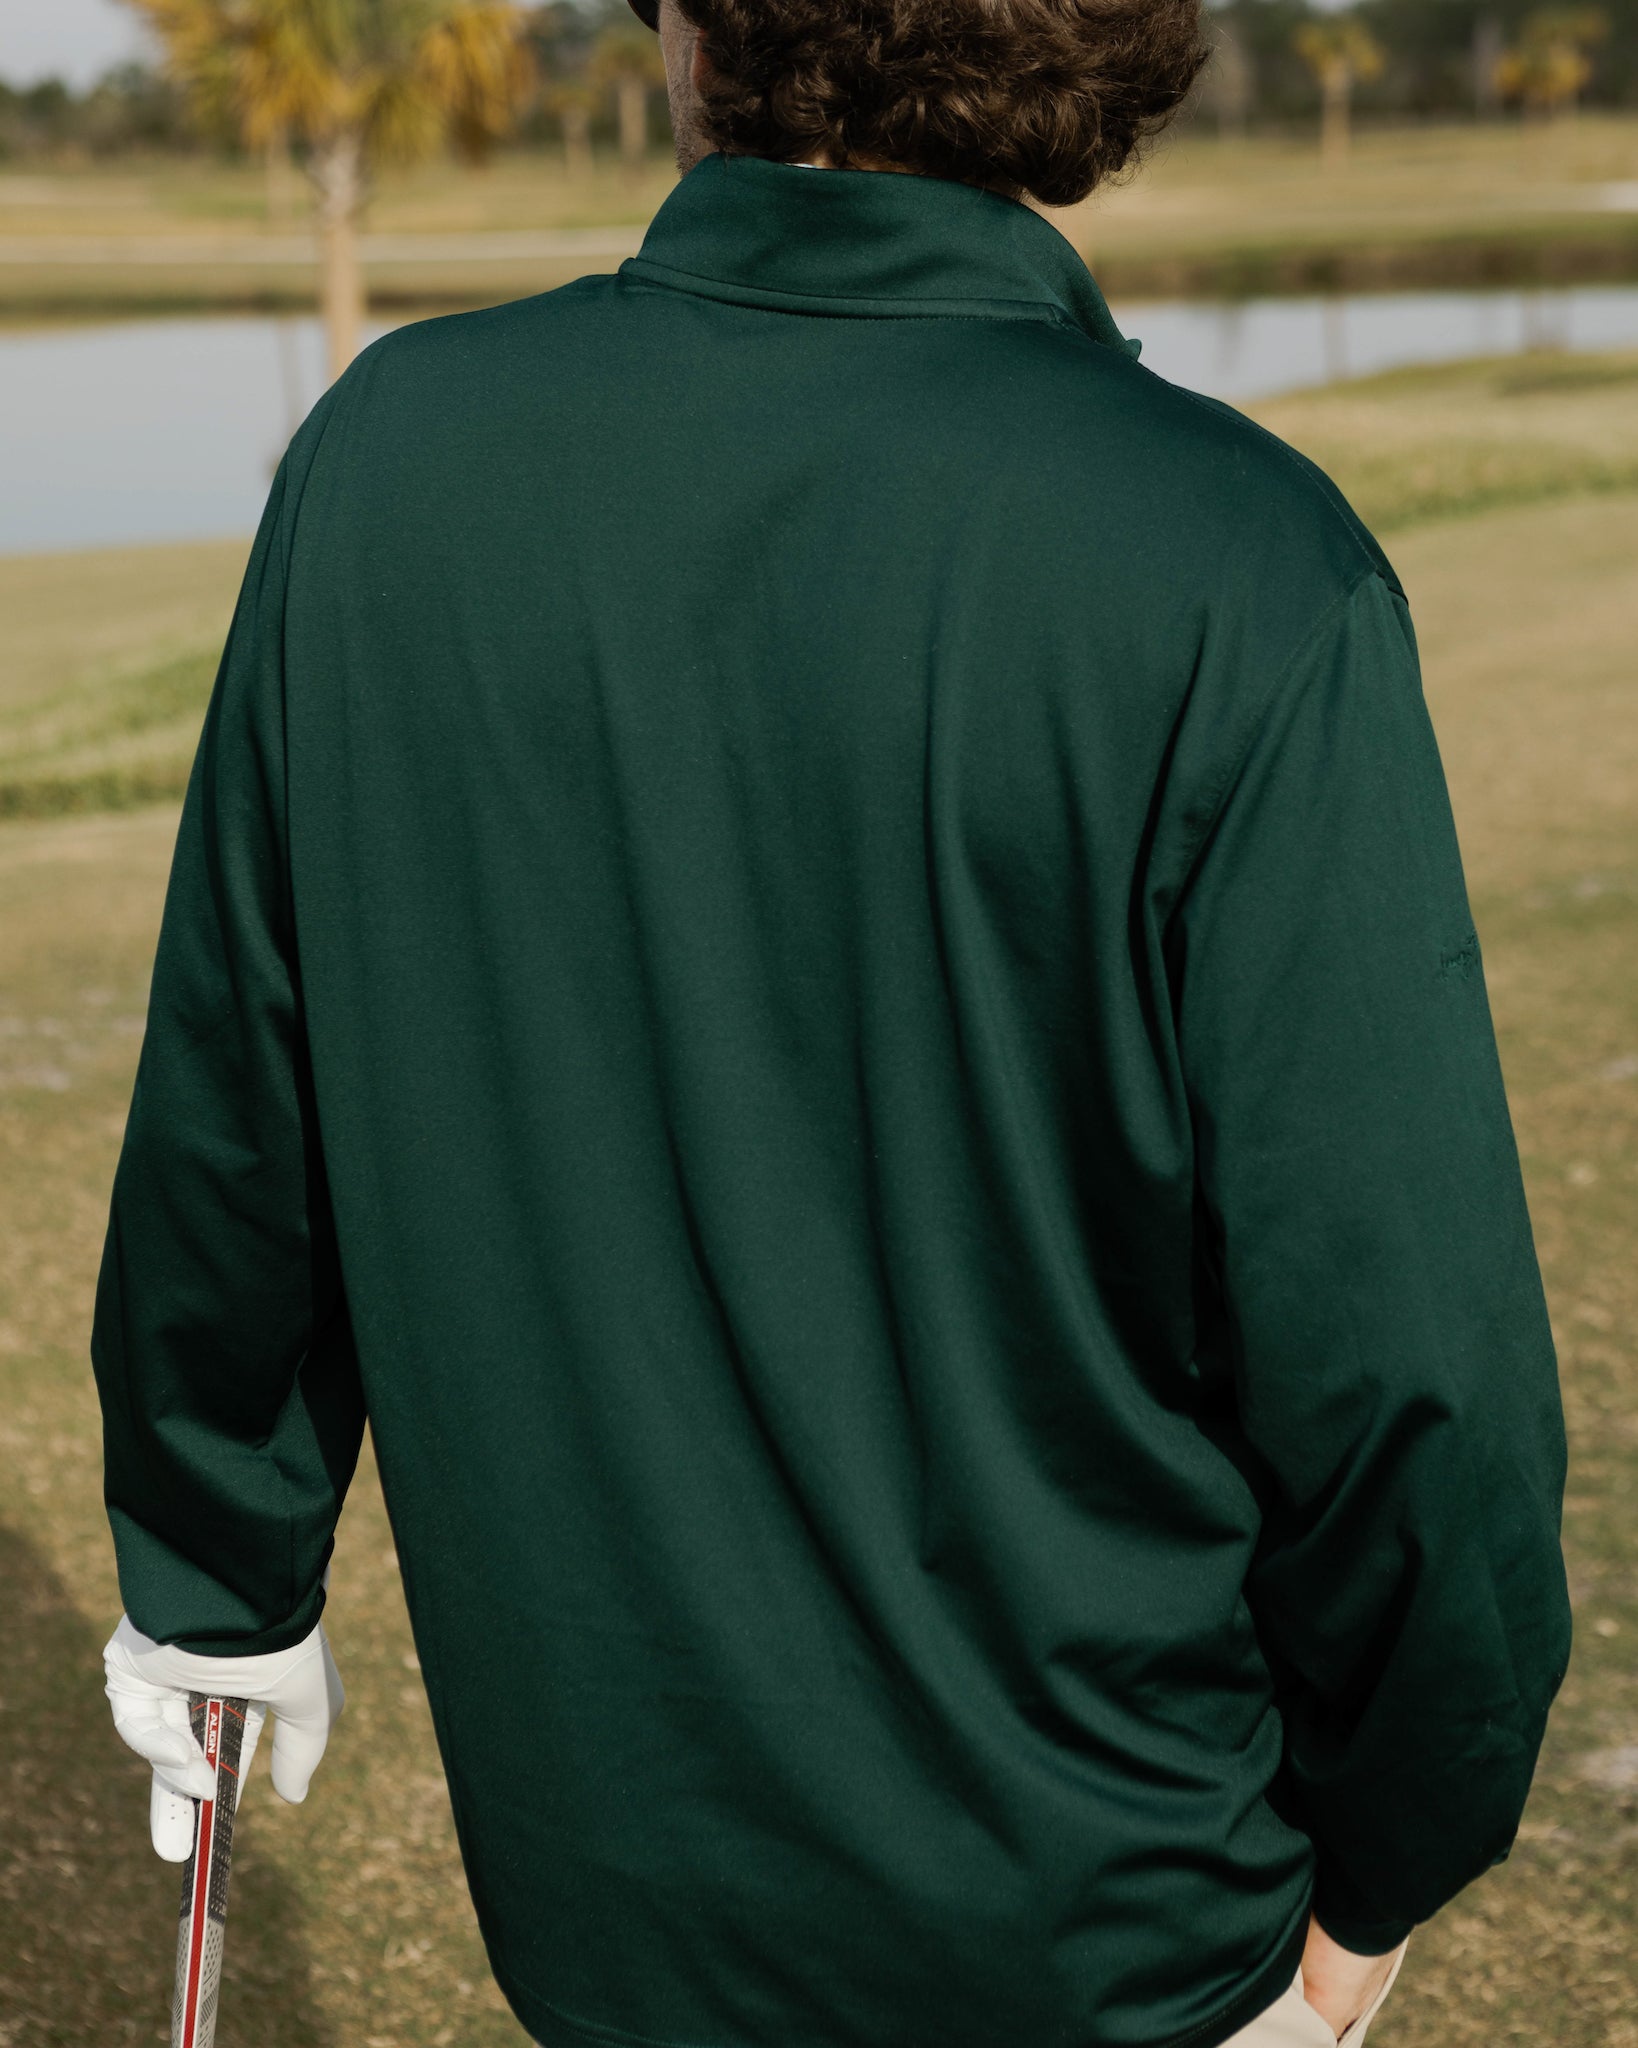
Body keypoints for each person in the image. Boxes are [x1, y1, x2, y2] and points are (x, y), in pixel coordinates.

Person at [94, 2, 1572, 2044]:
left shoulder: (389, 456)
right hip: (1112, 1926)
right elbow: (1413, 1380)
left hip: (636, 1927)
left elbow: (234, 1151)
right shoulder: (1237, 557)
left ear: (694, 27)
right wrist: (1392, 1856)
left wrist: (216, 1579)